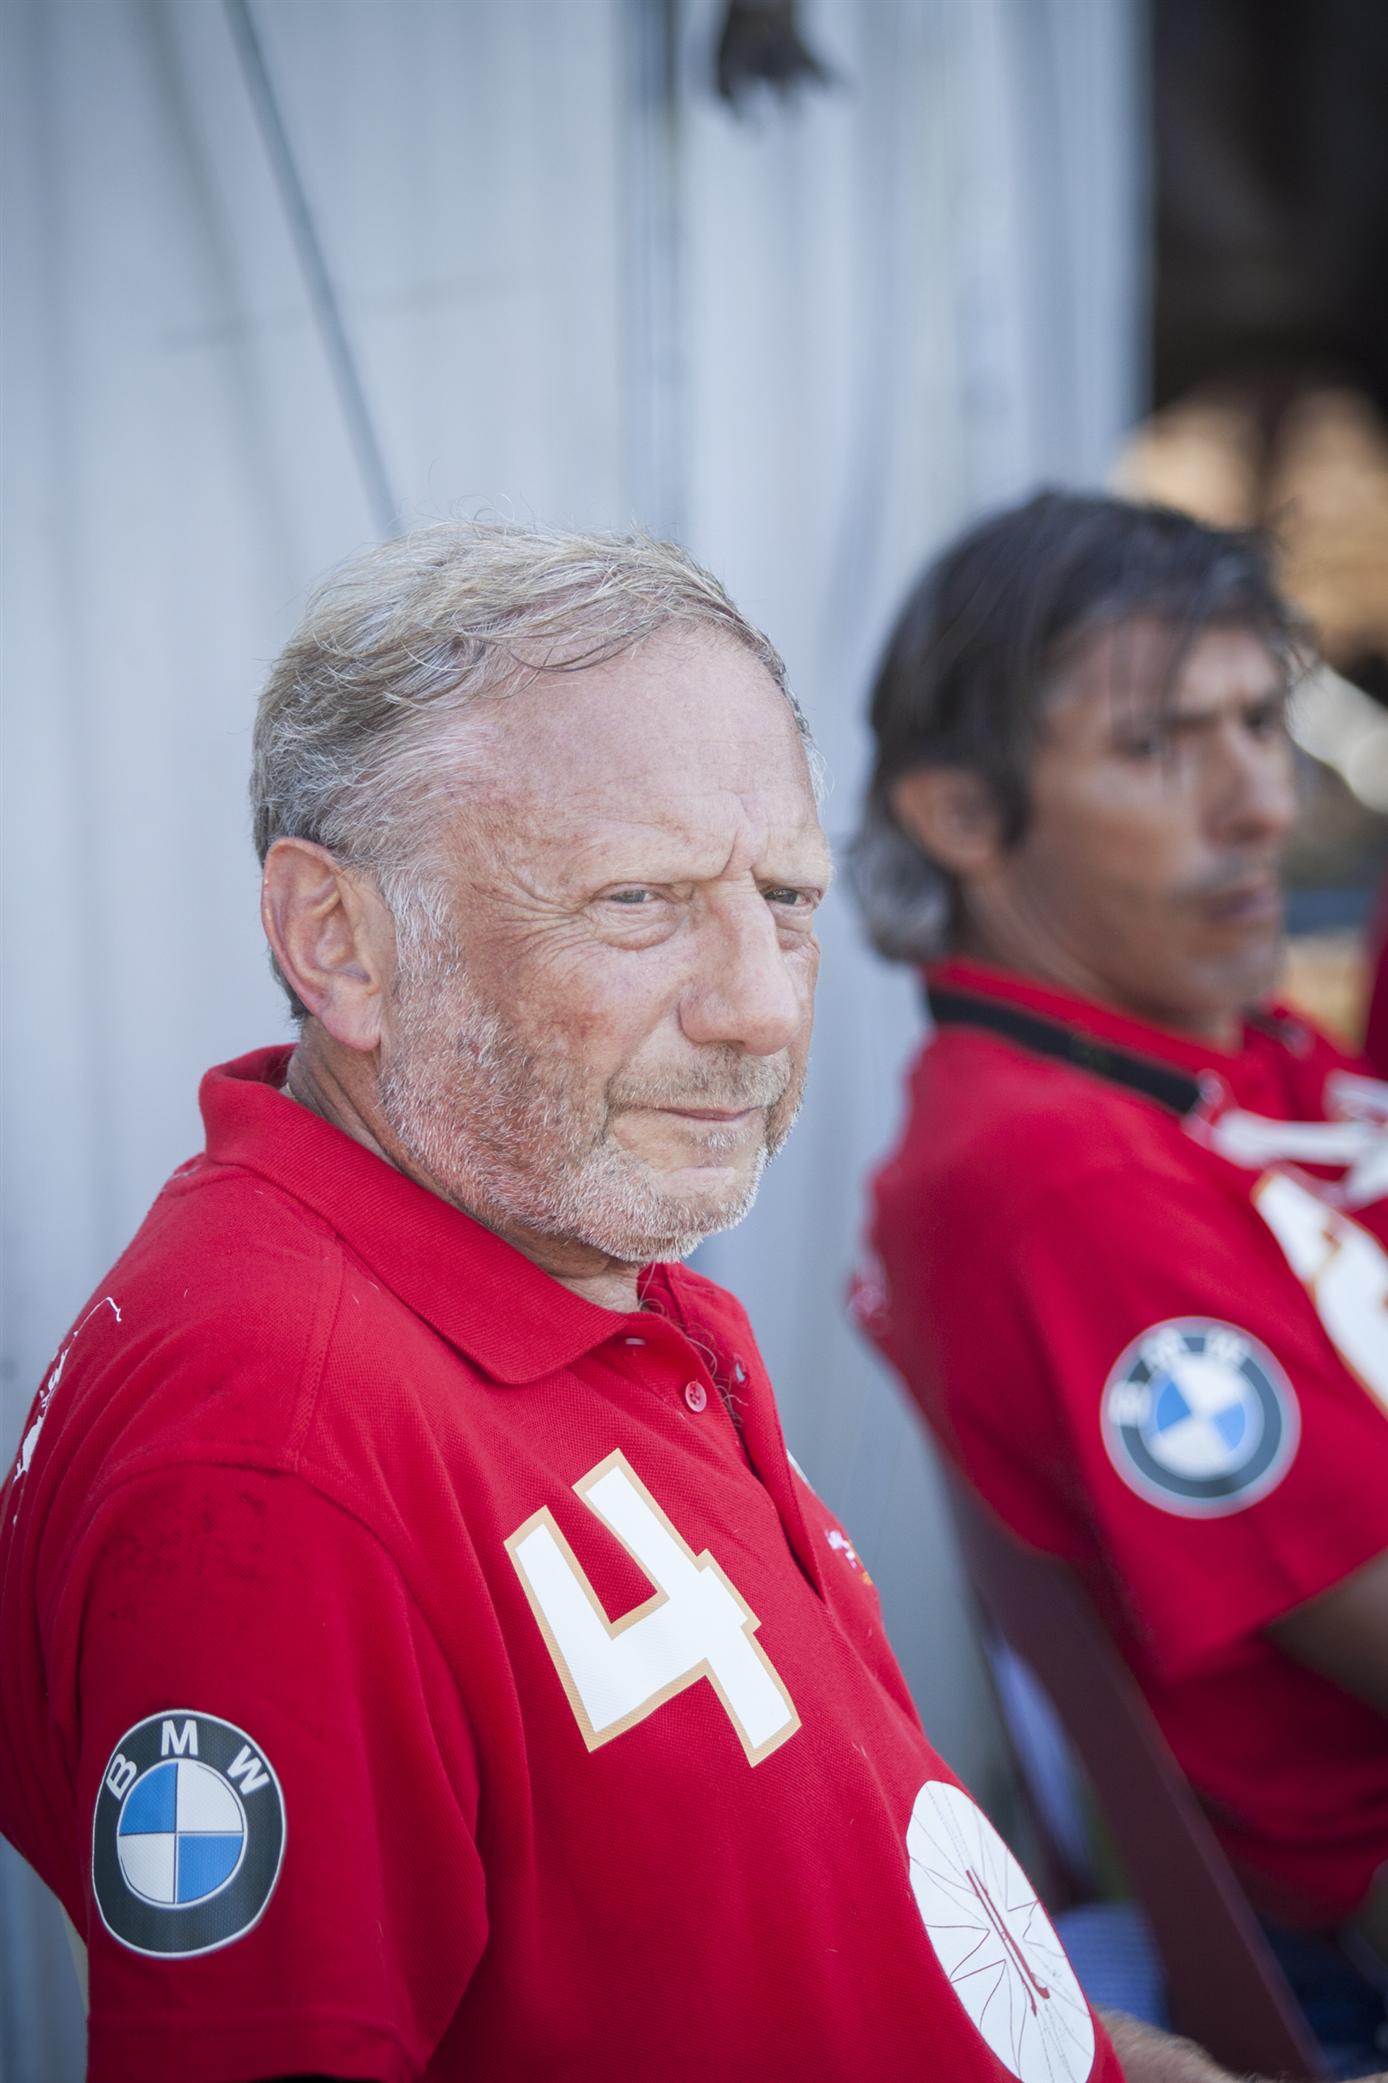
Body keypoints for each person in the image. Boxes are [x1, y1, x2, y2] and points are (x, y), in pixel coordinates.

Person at [0, 520, 1255, 2083]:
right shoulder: (277, 1461)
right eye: (640, 901)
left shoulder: (563, 1244)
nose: (760, 1007)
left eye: (785, 899)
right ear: (339, 942)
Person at [851, 490, 1388, 2077]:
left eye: (1257, 727)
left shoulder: (1182, 1049)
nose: (1259, 807)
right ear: (963, 815)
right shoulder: (1057, 1173)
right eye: (1160, 749)